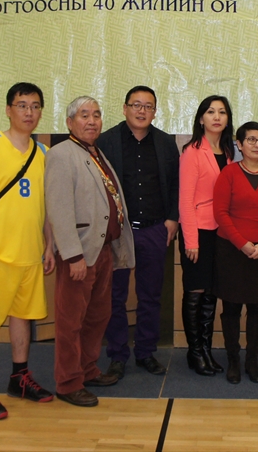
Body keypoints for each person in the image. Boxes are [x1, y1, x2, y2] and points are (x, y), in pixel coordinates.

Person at [0, 82, 56, 420]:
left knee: (22, 317)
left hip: (30, 254)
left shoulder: (43, 153)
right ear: (8, 109)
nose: (29, 112)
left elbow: (44, 205)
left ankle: (19, 377)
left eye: (35, 106)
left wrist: (49, 243)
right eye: (22, 105)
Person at [46, 97, 136, 407]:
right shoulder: (61, 154)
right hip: (80, 254)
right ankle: (68, 382)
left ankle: (87, 369)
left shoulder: (95, 152)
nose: (92, 121)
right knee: (71, 321)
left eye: (96, 115)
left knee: (97, 316)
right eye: (84, 115)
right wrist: (73, 256)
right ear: (69, 122)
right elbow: (58, 210)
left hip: (103, 250)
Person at [96, 86, 180, 379]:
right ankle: (117, 355)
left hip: (155, 229)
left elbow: (175, 184)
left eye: (148, 106)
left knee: (150, 296)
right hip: (118, 232)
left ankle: (146, 352)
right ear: (125, 108)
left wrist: (172, 219)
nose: (142, 111)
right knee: (114, 296)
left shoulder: (166, 143)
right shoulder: (106, 142)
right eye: (136, 105)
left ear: (155, 112)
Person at [213, 122, 258, 383]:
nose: (257, 144)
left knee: (257, 308)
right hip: (232, 250)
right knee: (231, 308)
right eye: (251, 140)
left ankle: (252, 361)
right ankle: (233, 359)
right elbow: (220, 213)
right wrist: (242, 243)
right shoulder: (229, 173)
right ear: (240, 144)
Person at [178, 95, 235, 376]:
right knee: (195, 291)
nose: (216, 117)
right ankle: (195, 352)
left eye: (222, 112)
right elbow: (185, 201)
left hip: (219, 232)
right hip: (197, 232)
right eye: (211, 112)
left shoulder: (227, 151)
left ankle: (207, 350)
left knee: (211, 293)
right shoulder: (192, 151)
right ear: (201, 118)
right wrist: (191, 241)